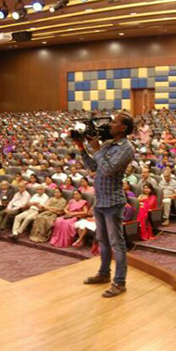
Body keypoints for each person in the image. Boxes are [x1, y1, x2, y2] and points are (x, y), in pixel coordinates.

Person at [75, 111, 136, 297]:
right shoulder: (108, 144)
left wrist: (97, 148)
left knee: (117, 243)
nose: (110, 125)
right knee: (102, 241)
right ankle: (103, 274)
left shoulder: (126, 148)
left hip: (113, 202)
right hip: (101, 200)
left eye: (114, 122)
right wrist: (81, 148)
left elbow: (108, 169)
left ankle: (120, 282)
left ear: (123, 128)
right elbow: (95, 167)